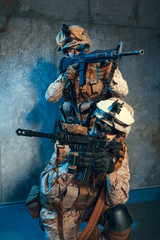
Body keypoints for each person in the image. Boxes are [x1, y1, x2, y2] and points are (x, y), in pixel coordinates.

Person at [38, 25, 133, 240]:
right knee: (57, 205)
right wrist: (65, 76)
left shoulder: (104, 66)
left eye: (79, 48)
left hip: (100, 136)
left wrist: (110, 69)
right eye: (69, 51)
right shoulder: (68, 70)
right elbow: (50, 97)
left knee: (116, 209)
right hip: (73, 137)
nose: (75, 53)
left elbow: (123, 92)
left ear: (87, 46)